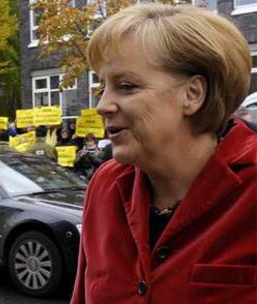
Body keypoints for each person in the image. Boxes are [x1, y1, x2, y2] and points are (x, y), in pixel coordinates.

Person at [71, 4, 256, 303]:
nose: (102, 105)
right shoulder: (105, 186)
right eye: (102, 87)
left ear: (193, 94)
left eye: (126, 86)